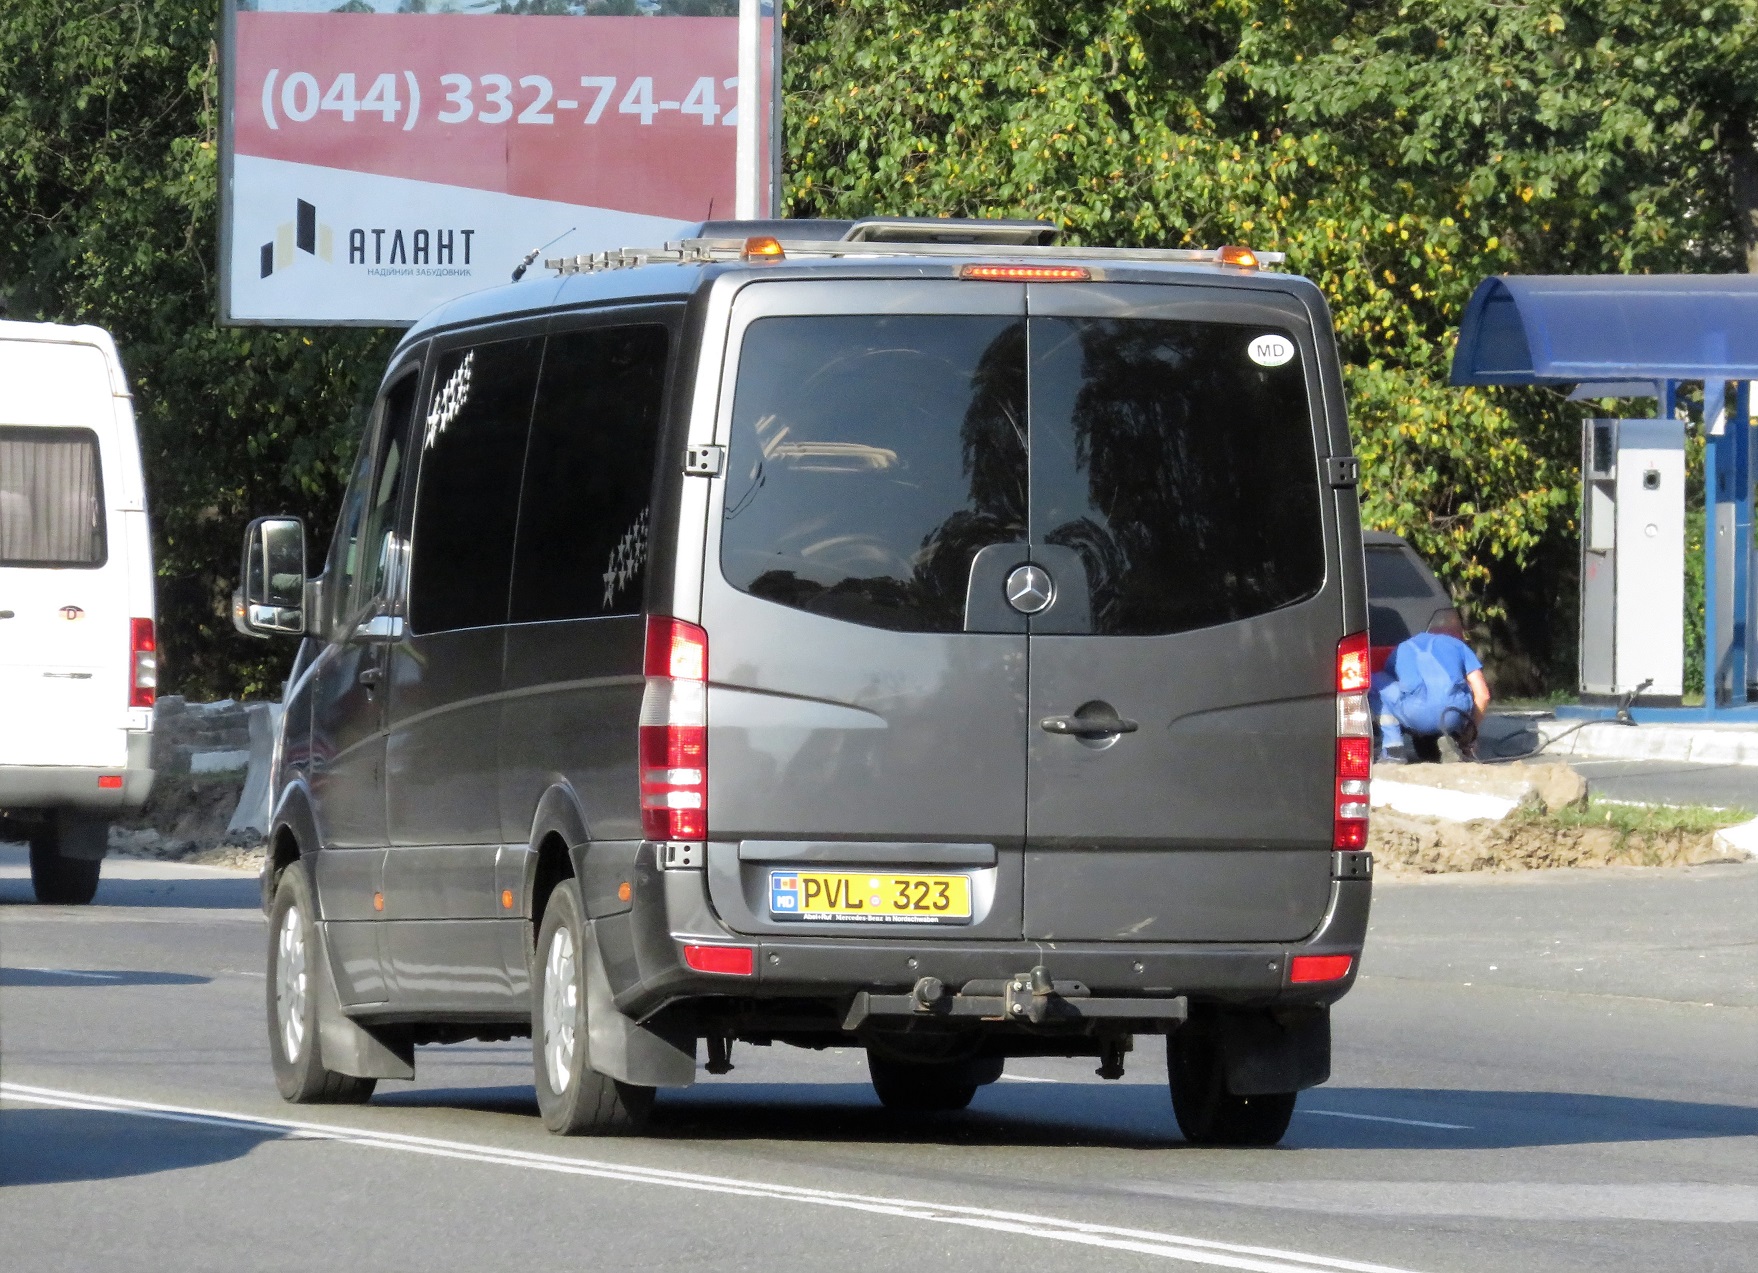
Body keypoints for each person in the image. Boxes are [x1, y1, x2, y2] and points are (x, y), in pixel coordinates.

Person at [1371, 612, 1491, 763]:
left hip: (1414, 715)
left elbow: (1391, 686)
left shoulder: (1402, 648)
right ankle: (1457, 740)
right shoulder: (1458, 645)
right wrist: (1470, 735)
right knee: (1465, 688)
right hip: (1453, 716)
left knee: (1374, 680)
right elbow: (1483, 695)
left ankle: (1393, 749)